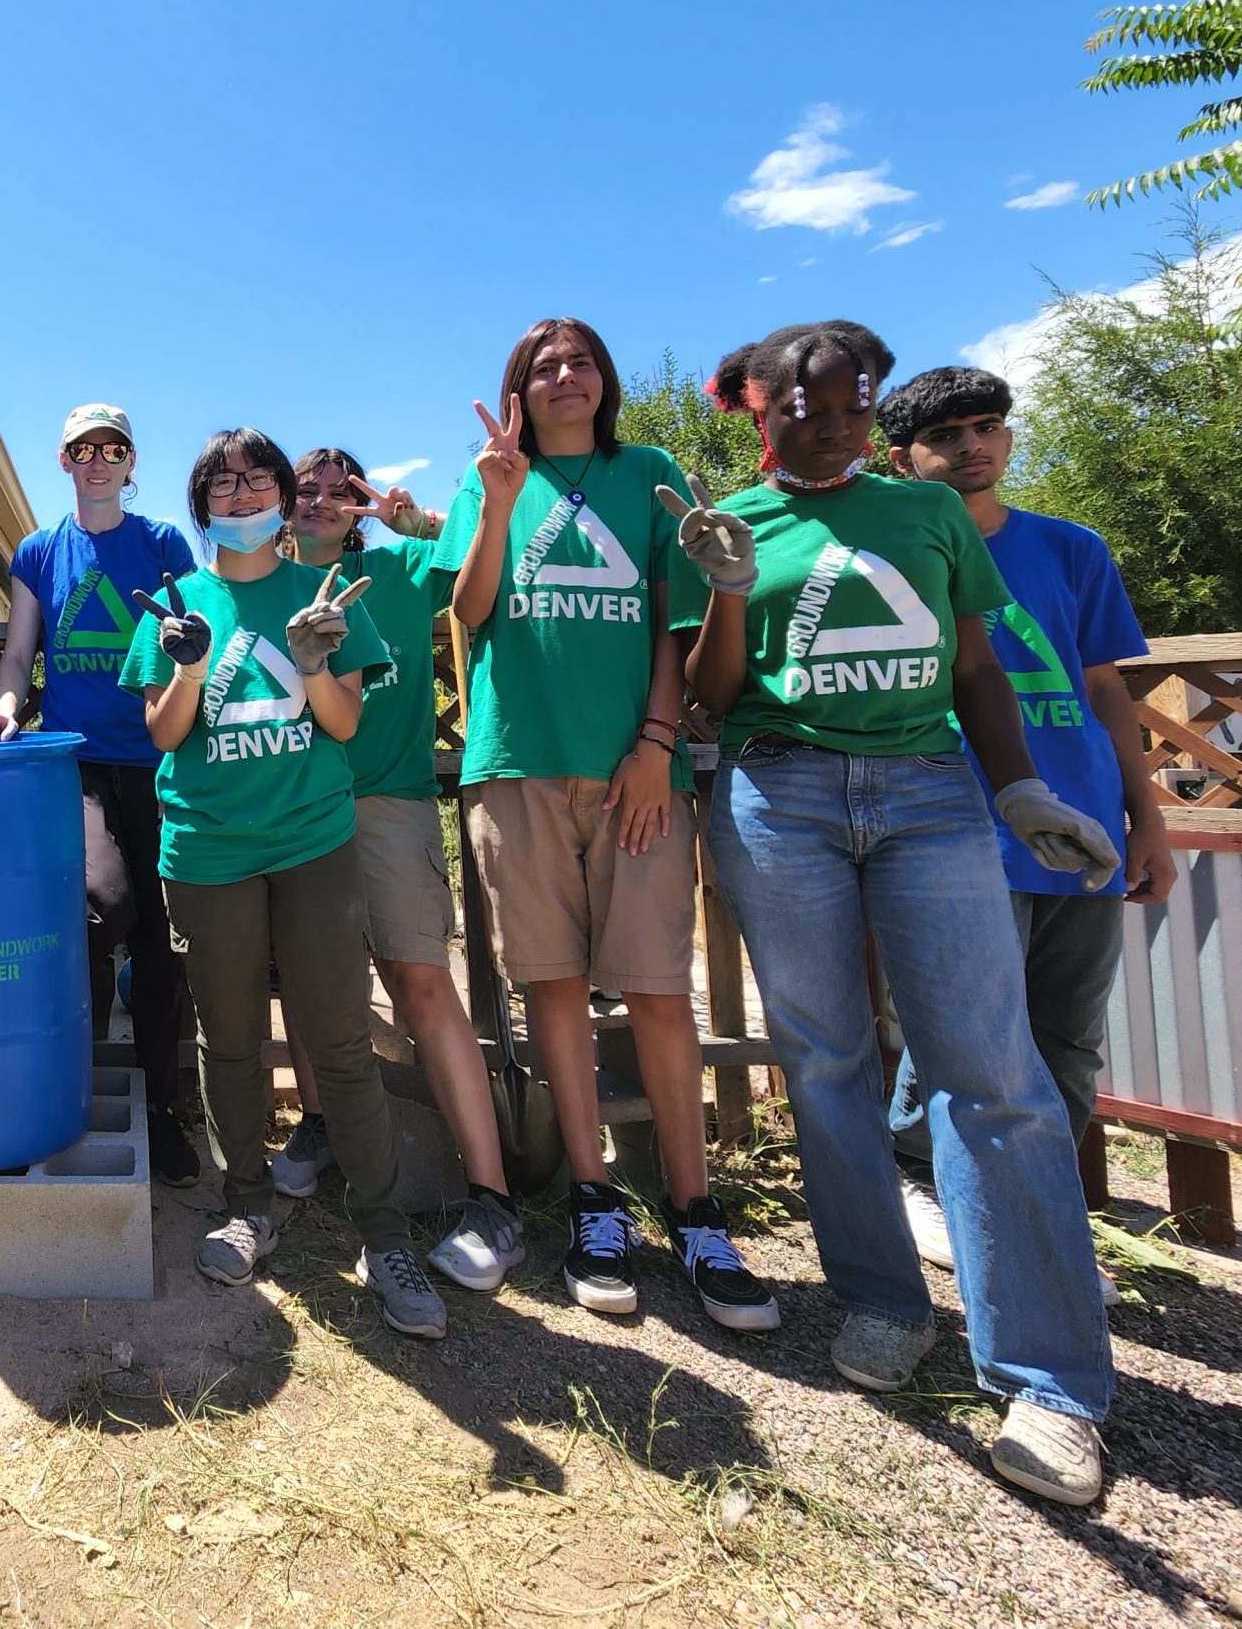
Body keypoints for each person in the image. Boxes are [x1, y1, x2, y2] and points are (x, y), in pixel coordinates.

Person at [683, 321, 1121, 1506]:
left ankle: (1049, 1381)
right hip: (779, 794)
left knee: (991, 1069)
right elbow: (711, 697)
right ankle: (881, 1300)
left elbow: (974, 666)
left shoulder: (925, 518)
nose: (835, 429)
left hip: (933, 793)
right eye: (808, 410)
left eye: (853, 410)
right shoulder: (728, 525)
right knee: (824, 1058)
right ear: (757, 410)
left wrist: (1018, 783)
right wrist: (725, 593)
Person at [434, 320, 778, 1332]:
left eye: (578, 362)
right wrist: (496, 504)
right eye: (541, 368)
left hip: (636, 773)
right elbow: (472, 605)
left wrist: (656, 743)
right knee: (552, 989)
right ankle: (594, 1202)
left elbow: (678, 622)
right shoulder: (488, 480)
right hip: (519, 765)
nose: (562, 378)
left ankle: (695, 1209)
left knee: (659, 990)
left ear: (604, 380)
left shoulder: (647, 471)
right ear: (516, 391)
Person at [117, 429, 450, 1338]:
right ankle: (247, 1206)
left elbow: (342, 723)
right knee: (227, 1042)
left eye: (254, 479)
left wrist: (311, 663)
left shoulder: (326, 591)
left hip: (314, 844)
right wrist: (186, 667)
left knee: (339, 1044)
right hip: (208, 851)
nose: (239, 495)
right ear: (201, 506)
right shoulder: (176, 600)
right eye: (219, 485)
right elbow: (163, 734)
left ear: (280, 494)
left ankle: (384, 1236)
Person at [875, 366, 1176, 1286]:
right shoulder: (897, 558)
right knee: (959, 1030)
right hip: (957, 825)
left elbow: (1102, 688)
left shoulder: (1072, 550)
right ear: (904, 459)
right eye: (948, 436)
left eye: (988, 426)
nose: (973, 446)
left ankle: (1034, 1198)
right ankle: (920, 1176)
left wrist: (1146, 817)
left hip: (1081, 826)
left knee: (1067, 1034)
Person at [270, 448, 526, 1293]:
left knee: (421, 982)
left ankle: (491, 1197)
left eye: (336, 492)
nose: (316, 503)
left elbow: (492, 556)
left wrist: (418, 521)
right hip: (296, 803)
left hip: (388, 799)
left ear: (358, 503)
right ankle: (316, 1125)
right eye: (301, 490)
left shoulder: (402, 564)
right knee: (311, 980)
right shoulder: (256, 579)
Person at [0, 404, 202, 1184]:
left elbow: (192, 634)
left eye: (113, 449)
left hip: (162, 758)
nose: (98, 461)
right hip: (77, 761)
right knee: (100, 908)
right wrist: (2, 706)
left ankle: (165, 1111)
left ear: (131, 464)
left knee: (165, 939)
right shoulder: (39, 551)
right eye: (82, 450)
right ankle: (74, 1093)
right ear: (63, 462)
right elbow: (18, 655)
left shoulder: (163, 542)